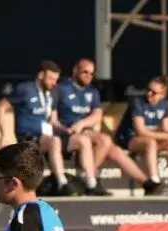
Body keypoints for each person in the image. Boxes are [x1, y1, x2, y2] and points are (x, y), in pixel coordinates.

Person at [55, 58, 157, 196]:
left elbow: (98, 114)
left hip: (84, 131)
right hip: (66, 132)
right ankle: (90, 180)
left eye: (92, 73)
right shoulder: (62, 88)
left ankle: (145, 183)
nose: (88, 76)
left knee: (115, 151)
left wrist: (83, 123)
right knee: (105, 140)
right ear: (75, 70)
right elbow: (52, 114)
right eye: (85, 72)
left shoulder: (92, 91)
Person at [0, 60, 75, 196]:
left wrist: (66, 130)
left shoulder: (53, 93)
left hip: (46, 136)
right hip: (28, 138)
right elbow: (1, 107)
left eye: (56, 80)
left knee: (80, 140)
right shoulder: (25, 89)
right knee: (54, 141)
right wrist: (4, 134)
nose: (53, 83)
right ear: (40, 75)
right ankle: (63, 182)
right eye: (50, 78)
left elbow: (53, 120)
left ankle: (91, 182)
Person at [114, 76, 168, 195]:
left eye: (154, 93)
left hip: (150, 140)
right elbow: (141, 131)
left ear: (163, 95)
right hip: (128, 139)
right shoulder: (138, 102)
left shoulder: (165, 105)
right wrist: (166, 136)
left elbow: (167, 129)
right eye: (148, 90)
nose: (149, 94)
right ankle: (154, 181)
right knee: (150, 142)